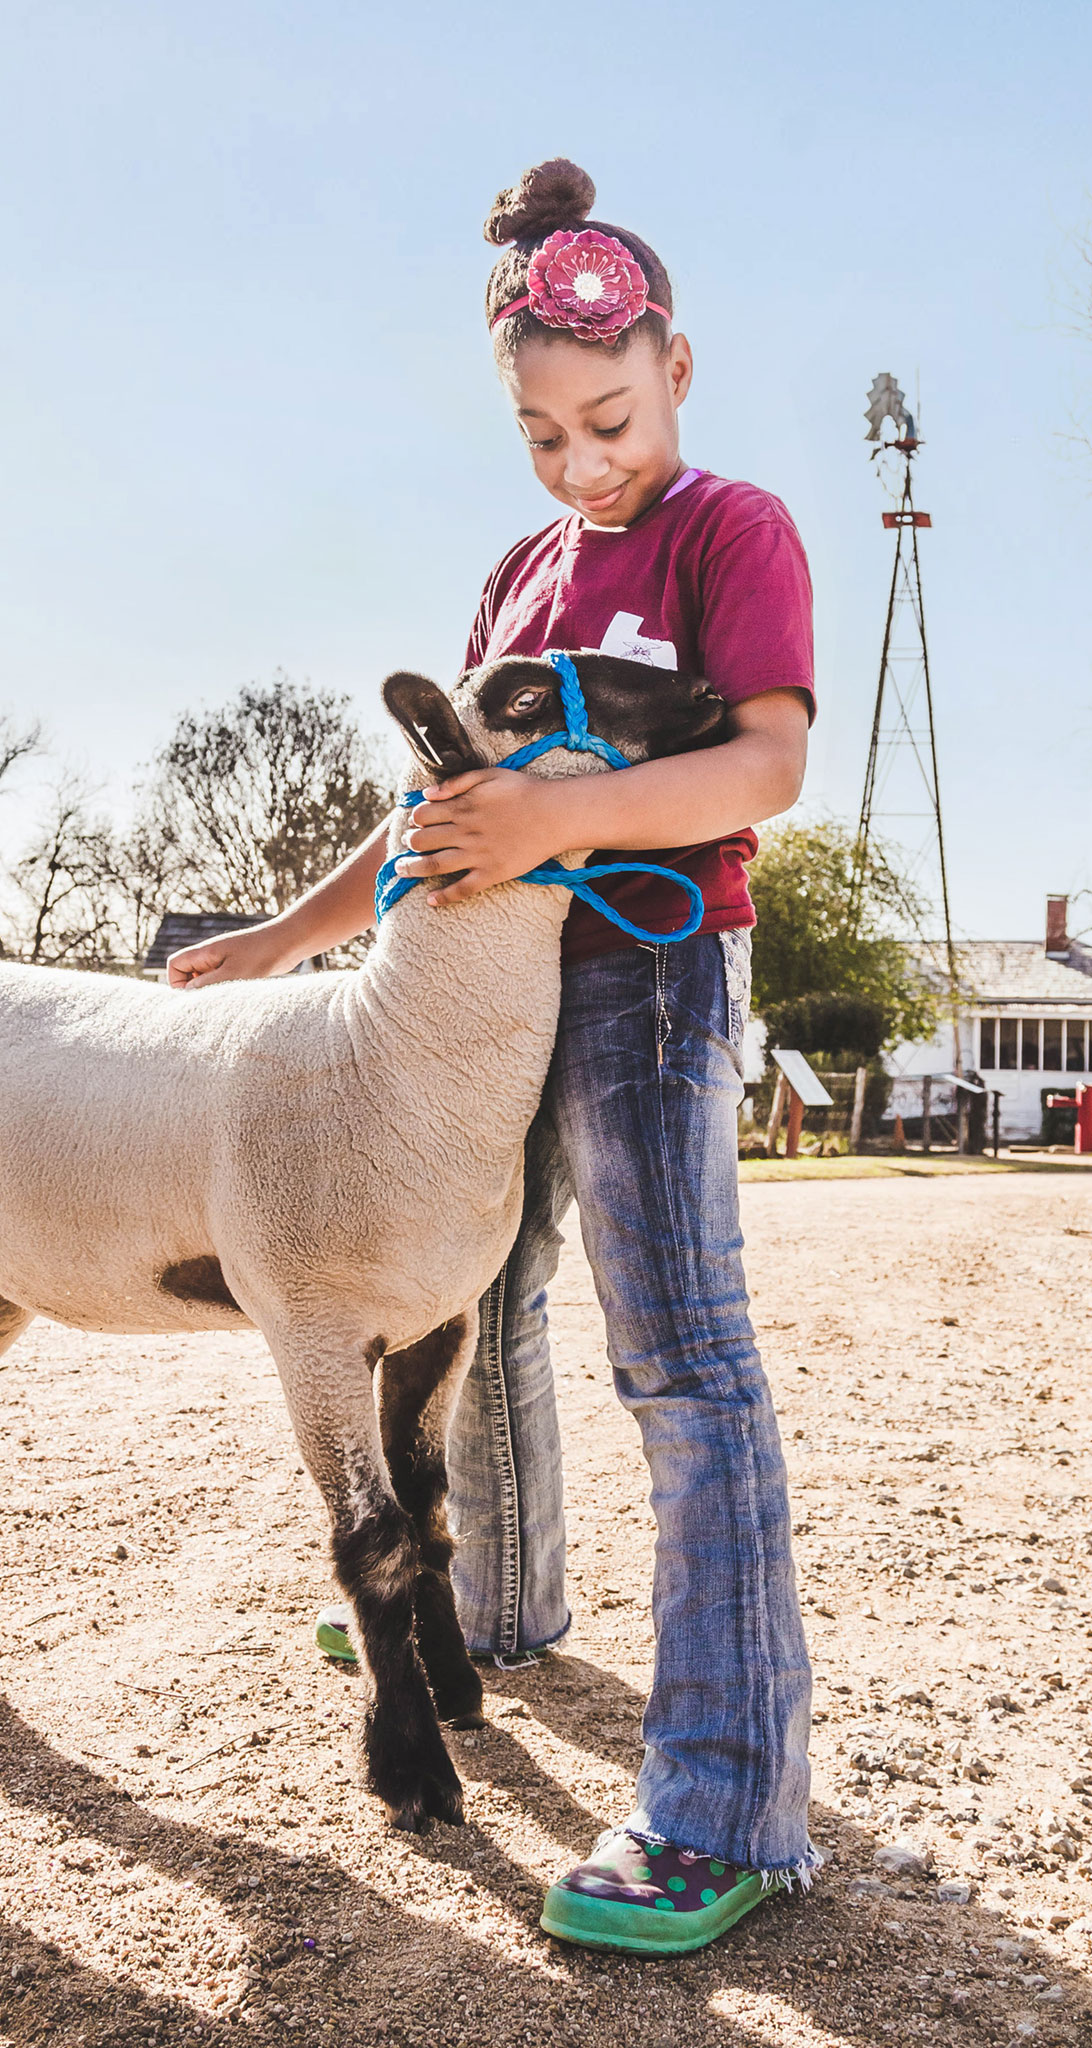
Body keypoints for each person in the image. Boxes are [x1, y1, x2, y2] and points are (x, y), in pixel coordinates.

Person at [167, 157, 815, 1952]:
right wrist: (279, 941)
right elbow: (437, 812)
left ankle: (723, 1796)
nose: (582, 461)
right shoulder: (522, 571)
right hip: (469, 998)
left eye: (608, 416)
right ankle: (503, 1602)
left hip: (649, 978)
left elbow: (762, 764)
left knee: (679, 1354)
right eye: (542, 433)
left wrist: (562, 828)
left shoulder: (728, 529)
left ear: (680, 364)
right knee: (485, 1301)